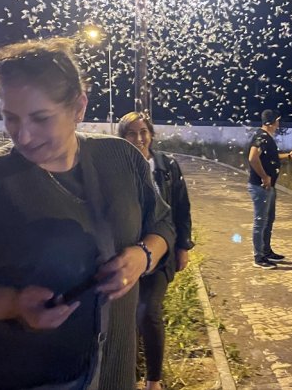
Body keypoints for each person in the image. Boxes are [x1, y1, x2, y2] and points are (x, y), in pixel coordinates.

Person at [0, 38, 175, 390]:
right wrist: (14, 304)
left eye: (41, 118)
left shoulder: (122, 159)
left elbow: (162, 224)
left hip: (114, 371)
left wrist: (143, 256)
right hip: (21, 377)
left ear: (78, 107)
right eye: (10, 118)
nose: (23, 135)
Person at [117, 112, 194, 390]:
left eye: (143, 132)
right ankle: (130, 374)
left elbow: (182, 207)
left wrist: (183, 246)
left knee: (148, 311)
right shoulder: (116, 167)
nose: (139, 138)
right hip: (125, 251)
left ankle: (153, 380)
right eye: (131, 133)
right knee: (128, 318)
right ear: (122, 137)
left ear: (151, 134)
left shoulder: (166, 166)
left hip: (161, 251)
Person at [247, 109, 292, 269]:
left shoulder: (266, 137)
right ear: (272, 122)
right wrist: (264, 176)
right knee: (260, 222)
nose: (278, 124)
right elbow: (253, 157)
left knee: (268, 220)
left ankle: (266, 251)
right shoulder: (261, 136)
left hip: (268, 187)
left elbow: (270, 157)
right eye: (277, 120)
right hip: (261, 186)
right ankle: (259, 258)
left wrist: (289, 156)